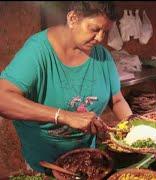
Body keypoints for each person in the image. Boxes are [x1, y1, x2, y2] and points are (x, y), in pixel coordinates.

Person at [0, 1, 132, 173]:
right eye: (94, 29)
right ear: (72, 18)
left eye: (105, 32)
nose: (100, 38)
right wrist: (63, 116)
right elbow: (3, 98)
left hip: (87, 161)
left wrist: (134, 130)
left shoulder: (102, 56)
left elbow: (117, 99)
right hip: (45, 164)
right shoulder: (38, 51)